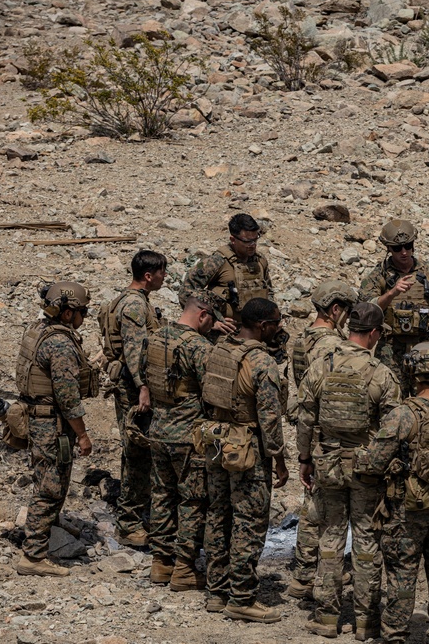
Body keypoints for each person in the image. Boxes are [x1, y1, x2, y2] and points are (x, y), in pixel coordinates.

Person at [357, 342, 429, 644]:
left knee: (401, 573)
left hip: (408, 511)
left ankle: (395, 636)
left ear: (410, 371)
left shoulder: (402, 415)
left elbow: (373, 463)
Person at [297, 302, 403, 640]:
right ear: (373, 333)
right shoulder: (380, 373)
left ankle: (327, 618)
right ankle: (365, 623)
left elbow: (305, 418)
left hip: (327, 463)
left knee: (330, 536)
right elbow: (394, 428)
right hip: (366, 468)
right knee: (367, 542)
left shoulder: (321, 366)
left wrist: (304, 459)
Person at [201, 298, 289, 622]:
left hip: (215, 439)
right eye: (277, 322)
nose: (279, 327)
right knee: (248, 519)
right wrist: (279, 459)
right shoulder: (262, 362)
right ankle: (241, 597)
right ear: (263, 326)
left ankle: (216, 591)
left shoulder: (220, 349)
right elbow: (269, 418)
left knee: (218, 513)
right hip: (246, 447)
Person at [14, 282, 99, 577]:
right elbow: (68, 397)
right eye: (81, 312)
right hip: (52, 424)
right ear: (66, 314)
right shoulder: (60, 343)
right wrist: (84, 434)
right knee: (50, 487)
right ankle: (34, 555)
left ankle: (49, 524)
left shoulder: (38, 329)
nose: (83, 317)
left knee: (49, 478)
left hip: (40, 419)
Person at [145, 290, 225, 591]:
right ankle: (184, 569)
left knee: (162, 496)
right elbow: (213, 392)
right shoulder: (199, 347)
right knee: (192, 501)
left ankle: (160, 563)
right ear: (202, 315)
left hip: (158, 431)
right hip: (188, 437)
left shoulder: (154, 338)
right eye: (210, 321)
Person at [286, 279, 357, 600]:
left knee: (311, 507)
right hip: (331, 435)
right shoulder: (332, 347)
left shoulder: (302, 340)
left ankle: (302, 576)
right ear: (336, 309)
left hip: (310, 431)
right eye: (347, 311)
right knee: (330, 511)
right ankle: (325, 574)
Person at [99, 250, 167, 547]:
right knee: (137, 453)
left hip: (130, 385)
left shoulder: (131, 300)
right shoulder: (135, 306)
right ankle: (129, 524)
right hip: (132, 388)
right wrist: (143, 386)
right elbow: (134, 350)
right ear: (148, 276)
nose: (165, 277)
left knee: (138, 452)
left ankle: (137, 516)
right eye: (162, 272)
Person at [359, 219, 429, 395]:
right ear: (388, 248)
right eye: (397, 248)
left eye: (408, 246)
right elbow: (366, 311)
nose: (404, 252)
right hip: (391, 350)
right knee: (391, 397)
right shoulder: (377, 276)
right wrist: (391, 293)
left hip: (426, 348)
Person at [178, 213, 273, 333]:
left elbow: (268, 291)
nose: (253, 245)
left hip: (255, 330)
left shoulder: (260, 261)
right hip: (225, 332)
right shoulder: (216, 261)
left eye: (255, 239)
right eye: (247, 241)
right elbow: (185, 292)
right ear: (233, 239)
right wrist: (212, 322)